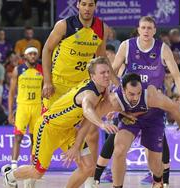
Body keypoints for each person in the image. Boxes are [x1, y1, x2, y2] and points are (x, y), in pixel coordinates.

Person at [93, 16, 180, 187]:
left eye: (149, 28)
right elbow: (112, 73)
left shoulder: (162, 48)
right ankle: (113, 183)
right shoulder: (127, 46)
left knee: (154, 161)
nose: (146, 31)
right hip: (130, 107)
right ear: (138, 29)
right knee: (119, 148)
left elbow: (177, 76)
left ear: (155, 30)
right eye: (143, 27)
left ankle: (158, 179)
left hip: (154, 108)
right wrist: (110, 99)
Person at [1, 57, 118, 188]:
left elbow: (88, 121)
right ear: (93, 76)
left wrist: (76, 146)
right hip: (48, 128)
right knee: (37, 172)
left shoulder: (102, 88)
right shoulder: (88, 93)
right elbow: (87, 110)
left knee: (88, 167)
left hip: (68, 130)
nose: (107, 75)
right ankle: (9, 176)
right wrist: (102, 124)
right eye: (103, 73)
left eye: (108, 72)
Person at [42, 0, 109, 186]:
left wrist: (106, 84)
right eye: (84, 4)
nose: (87, 8)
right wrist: (47, 81)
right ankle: (34, 171)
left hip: (82, 86)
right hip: (58, 85)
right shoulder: (64, 25)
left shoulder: (101, 27)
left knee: (92, 131)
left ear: (95, 6)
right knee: (48, 129)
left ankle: (90, 178)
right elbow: (47, 50)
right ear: (78, 5)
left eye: (91, 5)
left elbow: (101, 58)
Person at [105, 73, 180, 188]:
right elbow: (92, 112)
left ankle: (157, 181)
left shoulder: (151, 95)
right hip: (131, 118)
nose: (136, 97)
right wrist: (103, 122)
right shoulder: (114, 98)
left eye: (138, 93)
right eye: (131, 94)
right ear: (123, 90)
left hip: (153, 119)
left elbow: (174, 108)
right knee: (119, 149)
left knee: (155, 165)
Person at [8, 47, 43, 171]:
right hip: (22, 106)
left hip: (37, 107)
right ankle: (13, 166)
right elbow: (11, 93)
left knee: (35, 139)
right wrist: (10, 112)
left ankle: (33, 166)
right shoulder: (18, 70)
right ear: (25, 56)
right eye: (30, 54)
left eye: (35, 54)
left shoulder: (42, 70)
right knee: (18, 137)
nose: (33, 56)